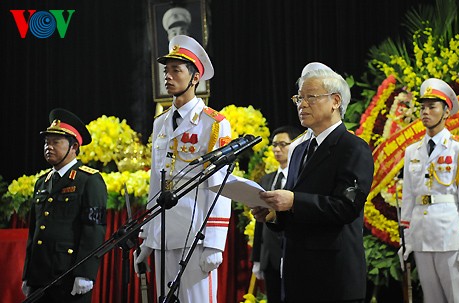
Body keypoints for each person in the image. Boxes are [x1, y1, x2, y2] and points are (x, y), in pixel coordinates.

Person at [252, 65, 374, 302]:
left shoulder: (353, 148)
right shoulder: (299, 150)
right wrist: (274, 215)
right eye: (299, 97)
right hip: (298, 276)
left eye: (311, 97)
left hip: (334, 278)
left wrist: (293, 201)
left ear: (335, 101)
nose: (301, 104)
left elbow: (345, 208)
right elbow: (296, 209)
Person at [134, 35, 232, 303]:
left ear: (194, 78)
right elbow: (157, 183)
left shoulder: (213, 123)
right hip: (164, 234)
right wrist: (146, 237)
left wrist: (214, 241)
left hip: (196, 235)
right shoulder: (160, 123)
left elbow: (220, 184)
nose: (168, 76)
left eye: (176, 70)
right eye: (166, 70)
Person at [399, 78, 459, 303]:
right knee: (431, 298)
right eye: (423, 107)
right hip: (421, 234)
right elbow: (409, 198)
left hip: (449, 235)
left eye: (432, 107)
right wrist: (406, 239)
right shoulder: (412, 151)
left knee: (457, 297)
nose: (425, 112)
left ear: (445, 112)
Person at [22, 108, 107, 303]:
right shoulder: (42, 182)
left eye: (56, 142)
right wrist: (27, 274)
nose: (48, 147)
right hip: (40, 276)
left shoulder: (89, 180)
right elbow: (34, 232)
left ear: (74, 146)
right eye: (46, 142)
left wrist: (85, 273)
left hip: (68, 275)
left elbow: (94, 229)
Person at [251, 125, 301, 303]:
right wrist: (257, 258)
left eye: (282, 144)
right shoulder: (267, 179)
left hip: (292, 254)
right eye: (274, 145)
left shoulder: (300, 177)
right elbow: (260, 220)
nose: (277, 149)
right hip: (270, 257)